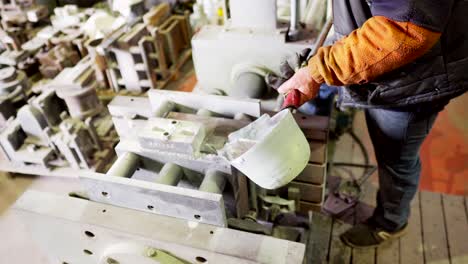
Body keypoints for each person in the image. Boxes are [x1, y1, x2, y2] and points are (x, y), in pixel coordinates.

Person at [276, 0, 468, 248]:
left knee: (396, 159)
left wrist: (319, 70)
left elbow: (406, 29)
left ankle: (391, 223)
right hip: (396, 73)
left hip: (411, 81)